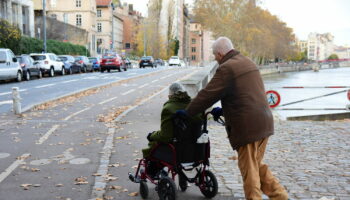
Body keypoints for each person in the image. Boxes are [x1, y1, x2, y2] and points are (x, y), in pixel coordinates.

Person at [181, 37, 289, 200]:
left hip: (249, 127)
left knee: (249, 170)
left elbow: (207, 95)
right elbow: (244, 96)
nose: (215, 59)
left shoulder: (227, 68)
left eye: (215, 55)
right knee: (256, 165)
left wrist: (187, 113)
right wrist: (223, 110)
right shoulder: (247, 62)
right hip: (264, 121)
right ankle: (280, 196)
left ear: (220, 53)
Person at [142, 82, 198, 177]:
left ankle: (152, 171)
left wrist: (152, 135)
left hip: (177, 148)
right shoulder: (195, 105)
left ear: (170, 95)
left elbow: (166, 136)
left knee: (154, 144)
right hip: (195, 148)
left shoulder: (168, 108)